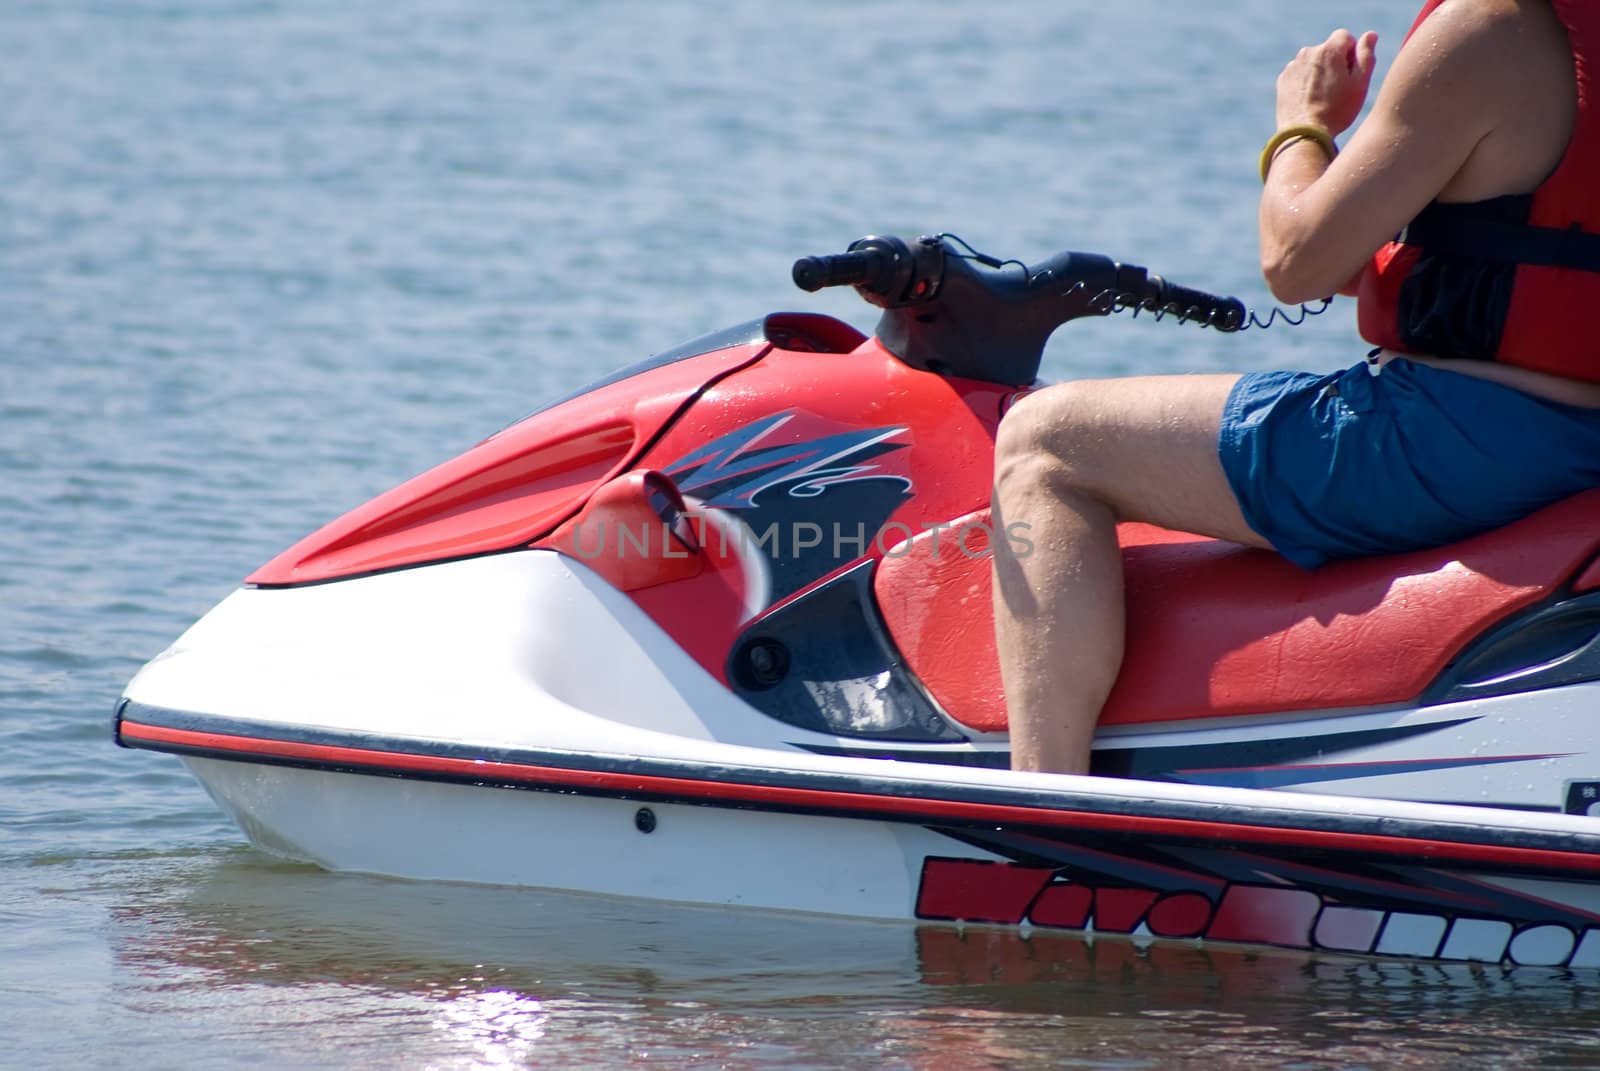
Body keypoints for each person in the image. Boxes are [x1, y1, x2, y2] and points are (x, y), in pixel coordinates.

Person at [991, 0, 1600, 775]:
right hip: (1583, 448)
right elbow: (1520, 264)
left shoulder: (1491, 29)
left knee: (1046, 441)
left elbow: (1294, 260)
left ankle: (1043, 811)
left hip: (1451, 445)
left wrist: (1303, 126)